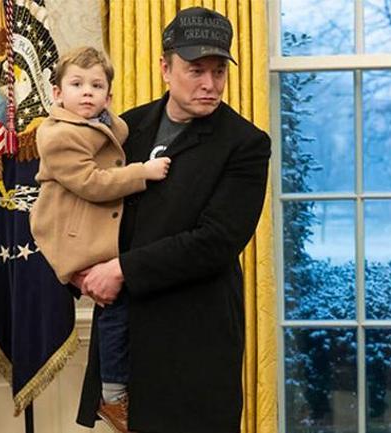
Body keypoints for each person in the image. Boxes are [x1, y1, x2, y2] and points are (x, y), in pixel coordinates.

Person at [71, 7, 271, 433]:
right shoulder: (127, 128)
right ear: (165, 68)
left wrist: (120, 270)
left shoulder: (246, 144)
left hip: (195, 342)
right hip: (126, 341)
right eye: (196, 70)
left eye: (219, 71)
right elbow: (90, 202)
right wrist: (78, 268)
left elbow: (215, 242)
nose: (210, 84)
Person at [30, 46, 171, 433]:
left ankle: (126, 387)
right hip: (71, 234)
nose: (87, 93)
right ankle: (112, 394)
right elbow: (92, 183)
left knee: (126, 308)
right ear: (57, 93)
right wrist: (142, 172)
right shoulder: (58, 135)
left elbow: (116, 135)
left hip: (92, 231)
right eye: (76, 84)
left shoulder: (105, 124)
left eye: (96, 86)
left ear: (109, 96)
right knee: (115, 309)